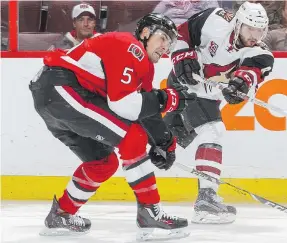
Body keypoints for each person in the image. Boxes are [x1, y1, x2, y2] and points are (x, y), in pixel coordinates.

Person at [29, 13, 196, 241]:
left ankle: (62, 214)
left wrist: (165, 142)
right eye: (163, 38)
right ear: (145, 34)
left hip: (54, 97)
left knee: (103, 163)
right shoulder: (130, 47)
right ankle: (150, 211)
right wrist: (168, 99)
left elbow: (144, 110)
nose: (166, 47)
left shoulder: (144, 67)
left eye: (170, 43)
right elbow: (125, 106)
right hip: (63, 88)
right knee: (132, 137)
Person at [160, 1, 274, 224]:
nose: (255, 35)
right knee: (213, 131)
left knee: (164, 142)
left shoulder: (261, 53)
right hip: (183, 85)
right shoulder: (214, 19)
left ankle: (132, 161)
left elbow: (251, 72)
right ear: (238, 23)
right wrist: (182, 55)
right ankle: (206, 201)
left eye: (260, 30)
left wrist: (239, 85)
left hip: (207, 97)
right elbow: (181, 34)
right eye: (250, 28)